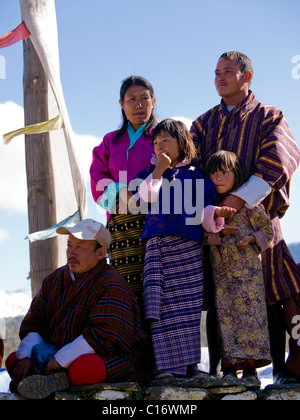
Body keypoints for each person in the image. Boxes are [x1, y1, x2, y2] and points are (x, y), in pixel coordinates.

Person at [190, 51, 300, 384]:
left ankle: (280, 370)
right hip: (214, 225)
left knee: (271, 292)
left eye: (228, 71)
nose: (220, 77)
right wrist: (210, 212)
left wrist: (234, 202)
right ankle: (220, 369)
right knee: (216, 295)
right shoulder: (203, 122)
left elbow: (277, 163)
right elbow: (191, 167)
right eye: (216, 72)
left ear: (247, 76)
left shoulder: (270, 117)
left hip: (259, 219)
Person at [134, 119, 235, 378]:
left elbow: (204, 211)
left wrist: (217, 214)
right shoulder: (149, 172)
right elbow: (145, 199)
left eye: (166, 140)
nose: (159, 146)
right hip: (159, 245)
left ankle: (190, 366)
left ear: (183, 142)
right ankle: (164, 368)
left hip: (189, 247)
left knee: (187, 306)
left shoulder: (196, 175)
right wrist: (158, 171)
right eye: (156, 142)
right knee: (161, 305)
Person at [5, 219, 149, 399]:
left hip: (103, 356)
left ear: (101, 253)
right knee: (14, 360)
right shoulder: (54, 280)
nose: (71, 253)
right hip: (54, 354)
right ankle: (47, 380)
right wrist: (27, 357)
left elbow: (100, 336)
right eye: (69, 245)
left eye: (80, 247)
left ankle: (46, 380)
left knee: (84, 368)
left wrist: (56, 363)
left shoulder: (112, 283)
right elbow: (35, 321)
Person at [90, 76, 158, 314]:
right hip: (122, 226)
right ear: (121, 103)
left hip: (158, 225)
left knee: (156, 293)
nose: (139, 104)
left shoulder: (164, 137)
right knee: (125, 291)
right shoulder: (110, 141)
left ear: (153, 101)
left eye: (144, 98)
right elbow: (98, 179)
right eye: (132, 99)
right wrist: (121, 192)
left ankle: (156, 351)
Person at [205, 150, 273, 382]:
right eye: (214, 173)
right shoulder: (210, 209)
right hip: (223, 276)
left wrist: (251, 239)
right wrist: (217, 234)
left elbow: (267, 230)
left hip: (249, 277)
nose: (219, 178)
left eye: (225, 172)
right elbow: (203, 237)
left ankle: (252, 369)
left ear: (237, 175)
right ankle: (230, 368)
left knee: (251, 318)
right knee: (226, 318)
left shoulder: (250, 206)